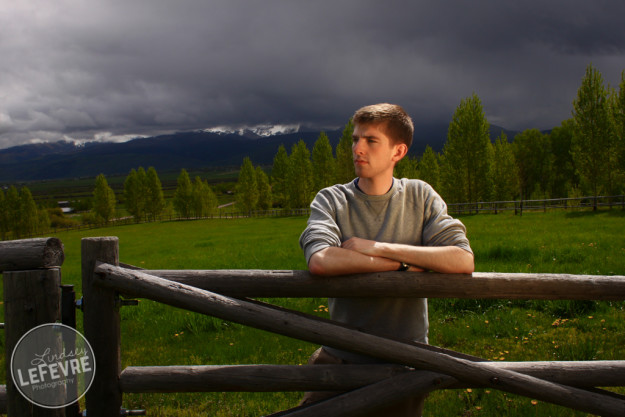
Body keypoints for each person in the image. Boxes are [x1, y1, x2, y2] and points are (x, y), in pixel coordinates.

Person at [298, 103, 474, 416]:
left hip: (405, 361)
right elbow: (321, 260)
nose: (357, 148)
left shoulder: (420, 196)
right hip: (340, 357)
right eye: (355, 139)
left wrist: (380, 248)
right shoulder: (332, 199)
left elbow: (462, 259)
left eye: (370, 140)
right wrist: (402, 266)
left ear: (398, 152)